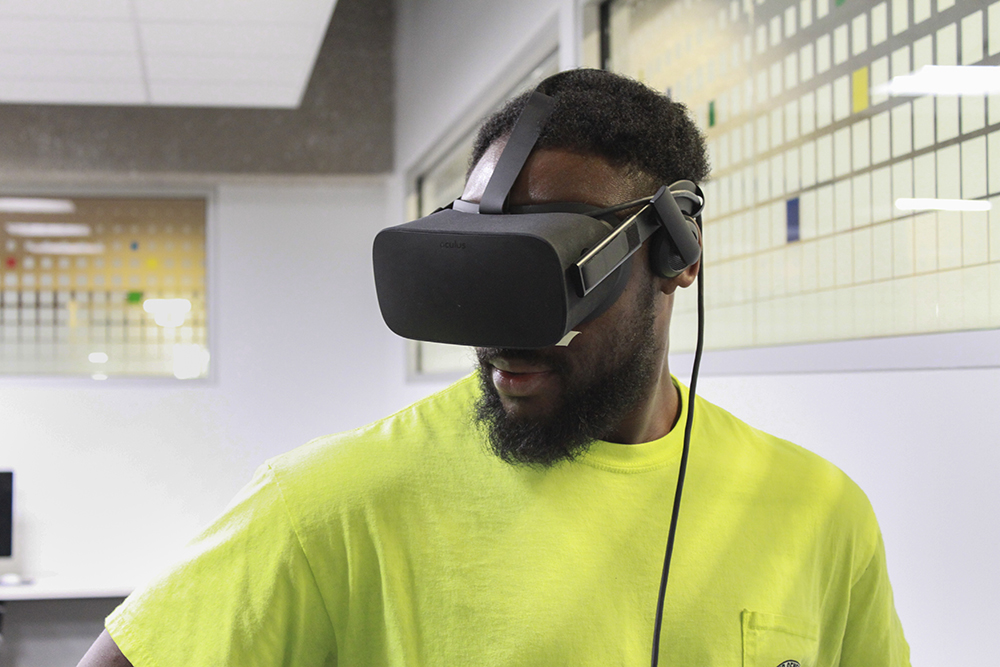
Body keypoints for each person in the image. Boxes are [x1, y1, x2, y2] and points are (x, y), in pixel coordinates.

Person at [78, 68, 910, 666]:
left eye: (547, 274)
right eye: (485, 272)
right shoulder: (330, 505)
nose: (505, 338)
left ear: (677, 251)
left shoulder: (820, 513)